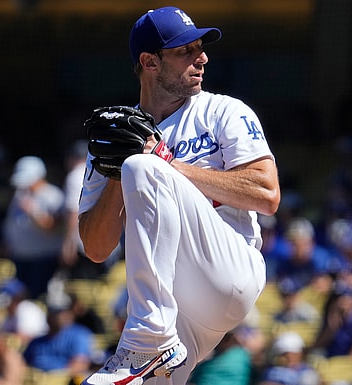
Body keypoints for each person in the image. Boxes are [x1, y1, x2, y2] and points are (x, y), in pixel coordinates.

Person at [78, 6, 280, 385]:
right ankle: (153, 342)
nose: (201, 57)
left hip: (229, 269)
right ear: (149, 62)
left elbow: (267, 194)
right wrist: (119, 172)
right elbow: (96, 247)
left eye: (200, 47)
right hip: (178, 306)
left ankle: (149, 338)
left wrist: (164, 163)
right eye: (185, 50)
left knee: (144, 167)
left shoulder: (223, 111)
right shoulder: (115, 137)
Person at [3, 156, 65, 299]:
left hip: (42, 260)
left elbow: (55, 227)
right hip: (20, 257)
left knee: (38, 298)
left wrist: (33, 212)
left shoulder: (52, 195)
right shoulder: (20, 194)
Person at [60, 140, 109, 280]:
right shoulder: (102, 170)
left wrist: (68, 243)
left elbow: (73, 211)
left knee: (81, 290)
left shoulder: (74, 175)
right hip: (108, 237)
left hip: (84, 241)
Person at [23, 290, 93, 378]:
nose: (58, 317)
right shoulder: (37, 341)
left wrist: (53, 378)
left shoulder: (79, 334)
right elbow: (22, 364)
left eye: (60, 312)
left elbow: (80, 365)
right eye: (53, 313)